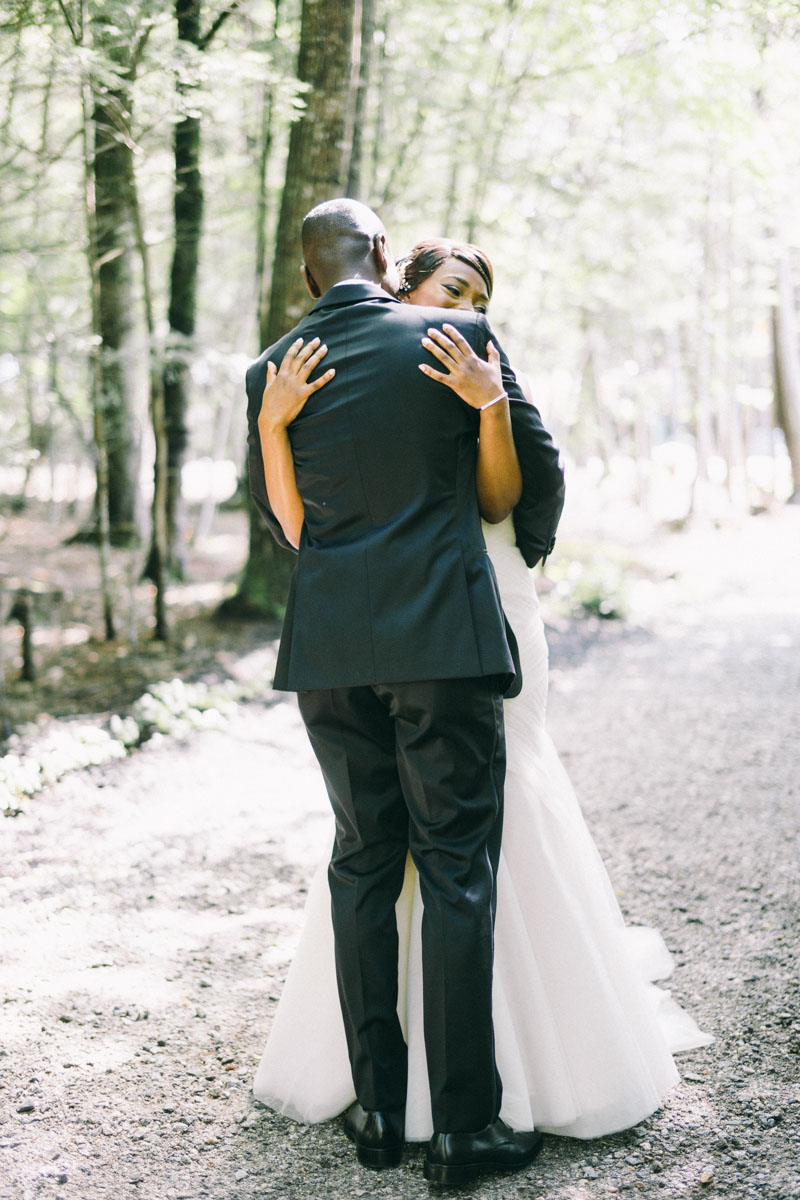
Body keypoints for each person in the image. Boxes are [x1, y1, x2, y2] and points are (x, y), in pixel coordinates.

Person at [252, 235, 713, 1152]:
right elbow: (310, 519)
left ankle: (416, 1097)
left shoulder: (458, 356)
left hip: (449, 615)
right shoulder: (346, 362)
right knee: (421, 856)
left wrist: (491, 403)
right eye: (453, 288)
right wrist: (275, 428)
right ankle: (447, 1115)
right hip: (427, 628)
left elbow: (506, 496)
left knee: (435, 843)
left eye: (481, 297)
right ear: (397, 279)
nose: (468, 308)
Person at [246, 202, 565, 1187]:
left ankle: (379, 1111)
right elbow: (502, 501)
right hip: (441, 641)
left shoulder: (275, 368)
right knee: (456, 869)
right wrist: (487, 405)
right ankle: (464, 1127)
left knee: (361, 866)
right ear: (384, 258)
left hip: (331, 650)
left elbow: (298, 535)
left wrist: (268, 425)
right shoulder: (454, 339)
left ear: (306, 277)